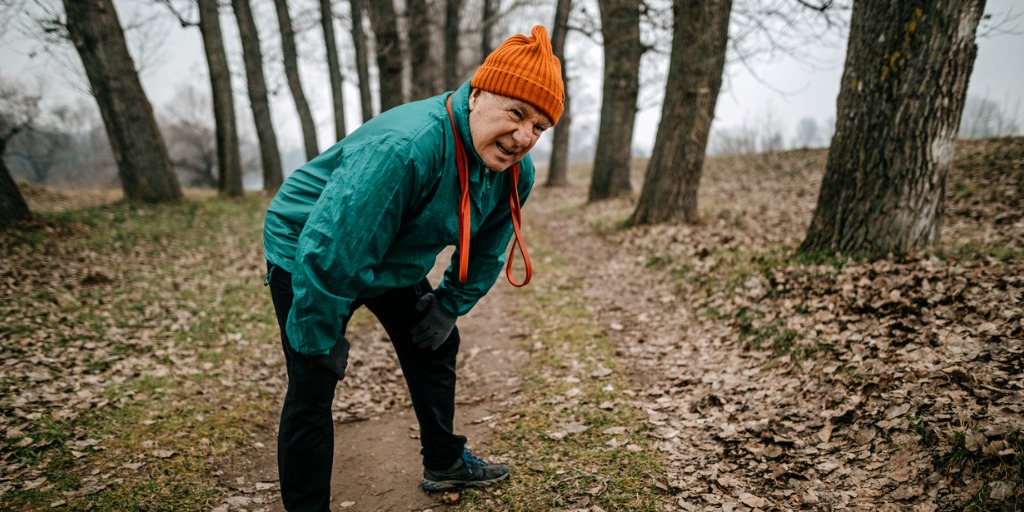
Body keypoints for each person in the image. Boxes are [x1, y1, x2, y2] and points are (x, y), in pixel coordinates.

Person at [262, 25, 564, 511]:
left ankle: (444, 461)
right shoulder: (406, 147)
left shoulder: (514, 171)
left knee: (436, 338)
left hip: (390, 253)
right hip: (310, 242)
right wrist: (318, 335)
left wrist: (449, 304)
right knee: (311, 382)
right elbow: (334, 249)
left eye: (540, 127)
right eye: (516, 113)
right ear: (478, 93)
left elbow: (487, 247)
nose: (524, 136)